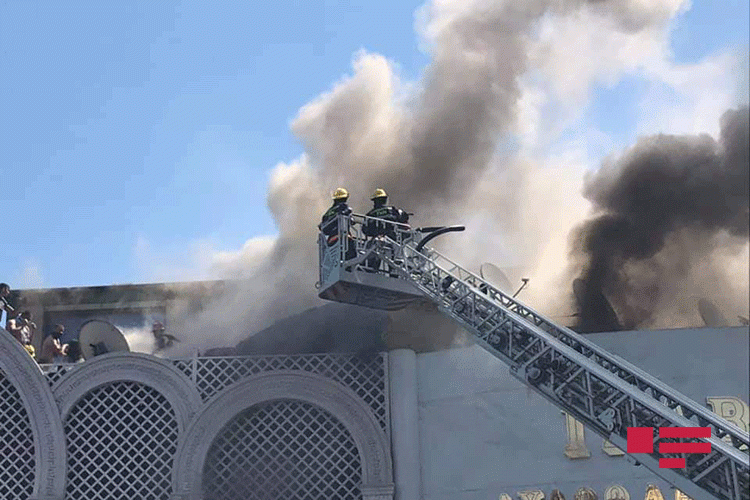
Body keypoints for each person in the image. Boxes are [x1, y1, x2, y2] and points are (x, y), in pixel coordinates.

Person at [363, 188, 409, 272]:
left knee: (371, 258)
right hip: (392, 238)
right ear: (385, 199)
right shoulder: (392, 210)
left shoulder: (370, 214)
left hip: (376, 240)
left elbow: (365, 230)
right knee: (396, 260)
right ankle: (394, 273)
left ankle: (371, 271)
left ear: (374, 201)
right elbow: (404, 217)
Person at [319, 187, 356, 261]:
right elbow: (351, 220)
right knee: (353, 245)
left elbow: (322, 226)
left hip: (330, 241)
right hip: (342, 237)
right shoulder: (343, 207)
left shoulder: (328, 212)